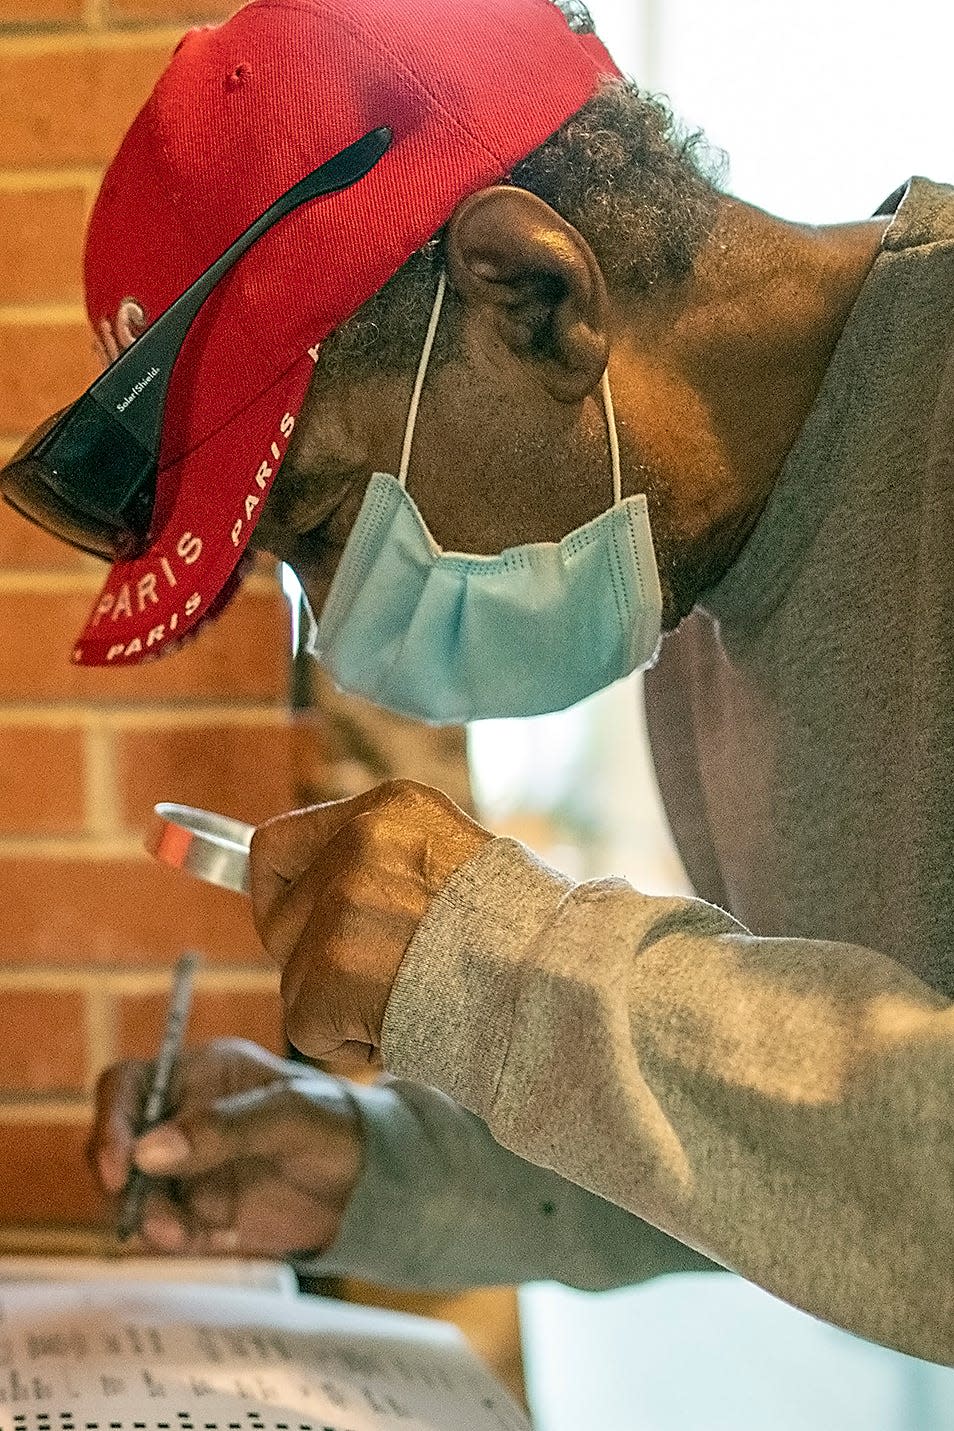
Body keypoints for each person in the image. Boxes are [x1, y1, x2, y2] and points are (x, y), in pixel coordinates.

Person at [5, 0, 954, 1368]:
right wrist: (377, 1171)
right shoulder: (694, 588)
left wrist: (508, 978)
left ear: (533, 294)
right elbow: (813, 1162)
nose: (332, 627)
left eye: (322, 522)